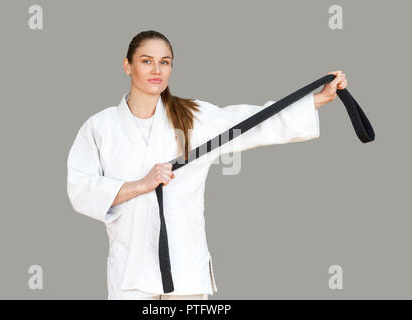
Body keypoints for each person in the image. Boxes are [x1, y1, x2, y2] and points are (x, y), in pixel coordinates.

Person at [66, 30, 347, 300]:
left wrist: (316, 99)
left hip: (187, 268)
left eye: (165, 62)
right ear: (127, 66)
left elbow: (251, 123)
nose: (157, 70)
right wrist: (141, 185)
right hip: (130, 275)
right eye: (146, 61)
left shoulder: (192, 117)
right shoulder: (101, 127)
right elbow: (81, 189)